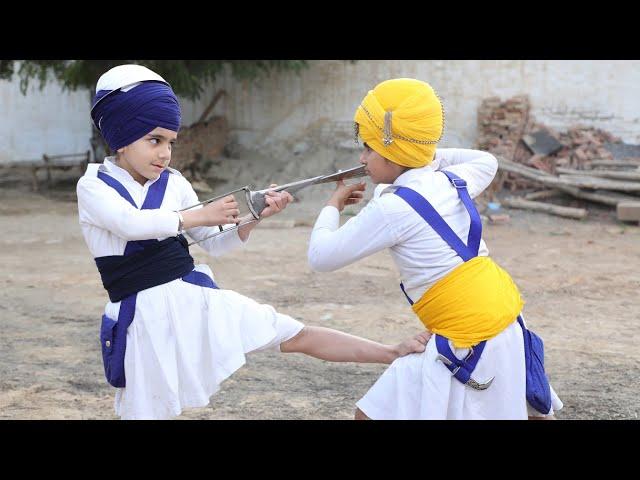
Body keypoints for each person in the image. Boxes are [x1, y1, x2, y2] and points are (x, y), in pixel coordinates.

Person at [76, 65, 430, 420]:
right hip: (142, 320)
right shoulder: (93, 186)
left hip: (196, 301)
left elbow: (215, 244)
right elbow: (129, 224)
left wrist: (254, 216)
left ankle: (390, 352)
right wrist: (203, 215)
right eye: (154, 140)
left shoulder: (174, 182)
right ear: (122, 135)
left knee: (293, 333)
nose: (165, 153)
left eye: (170, 142)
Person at [307, 77, 563, 420]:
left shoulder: (392, 209)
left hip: (469, 336)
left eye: (369, 148)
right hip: (505, 321)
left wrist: (333, 205)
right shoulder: (447, 180)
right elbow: (487, 160)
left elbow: (320, 257)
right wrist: (420, 155)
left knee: (369, 415)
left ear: (393, 150)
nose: (362, 157)